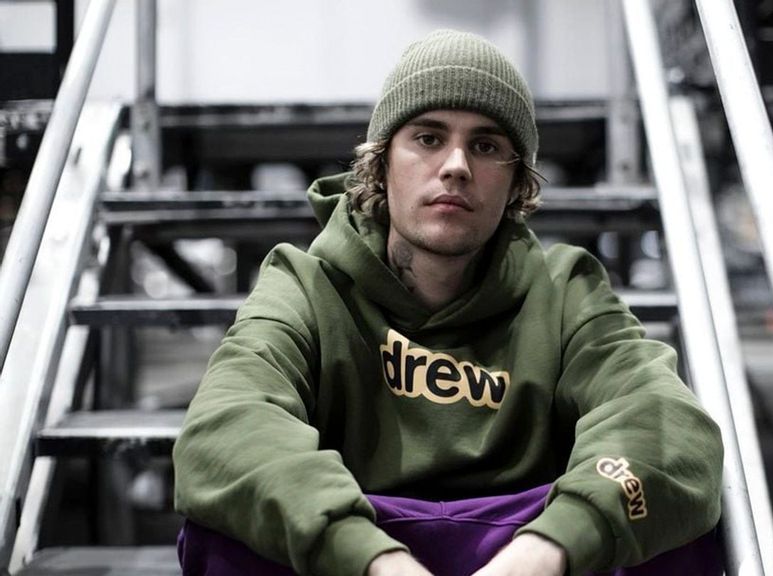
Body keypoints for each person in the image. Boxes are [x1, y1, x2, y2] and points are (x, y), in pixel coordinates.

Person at [173, 29, 724, 576]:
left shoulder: (564, 290)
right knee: (228, 527)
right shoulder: (307, 284)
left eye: (485, 146)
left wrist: (550, 548)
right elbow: (230, 425)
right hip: (360, 549)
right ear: (380, 165)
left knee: (661, 524)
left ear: (516, 185)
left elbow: (664, 425)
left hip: (522, 551)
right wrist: (370, 557)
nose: (456, 165)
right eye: (428, 138)